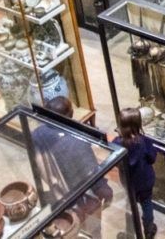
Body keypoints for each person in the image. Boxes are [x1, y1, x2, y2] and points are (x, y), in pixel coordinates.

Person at [31, 97, 113, 234]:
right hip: (80, 198)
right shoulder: (78, 139)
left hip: (58, 196)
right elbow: (91, 173)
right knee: (93, 230)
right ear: (71, 114)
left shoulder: (37, 134)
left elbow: (39, 166)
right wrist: (104, 189)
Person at [115, 108, 158, 238]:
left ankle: (129, 233)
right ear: (138, 125)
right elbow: (152, 158)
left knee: (130, 206)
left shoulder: (117, 143)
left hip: (128, 183)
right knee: (146, 204)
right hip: (145, 182)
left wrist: (120, 136)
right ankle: (149, 230)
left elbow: (115, 160)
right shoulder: (144, 142)